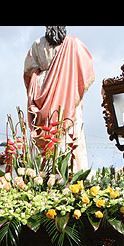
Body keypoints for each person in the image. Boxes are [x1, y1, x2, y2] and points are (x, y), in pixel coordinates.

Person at [24, 26, 94, 171]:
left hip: (42, 89)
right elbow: (86, 66)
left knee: (47, 131)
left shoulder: (37, 44)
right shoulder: (73, 43)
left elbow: (28, 70)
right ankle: (69, 171)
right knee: (69, 128)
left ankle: (42, 174)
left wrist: (41, 75)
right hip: (67, 90)